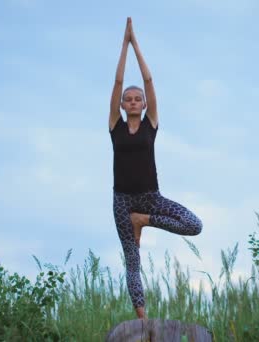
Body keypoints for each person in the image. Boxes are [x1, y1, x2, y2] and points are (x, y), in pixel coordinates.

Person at [109, 17, 203, 320]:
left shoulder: (151, 124)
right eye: (129, 100)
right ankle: (142, 320)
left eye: (138, 99)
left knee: (194, 224)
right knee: (132, 261)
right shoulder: (115, 126)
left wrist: (136, 43)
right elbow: (118, 82)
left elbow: (149, 82)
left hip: (150, 199)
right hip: (123, 201)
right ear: (123, 105)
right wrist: (122, 45)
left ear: (145, 104)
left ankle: (144, 221)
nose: (134, 101)